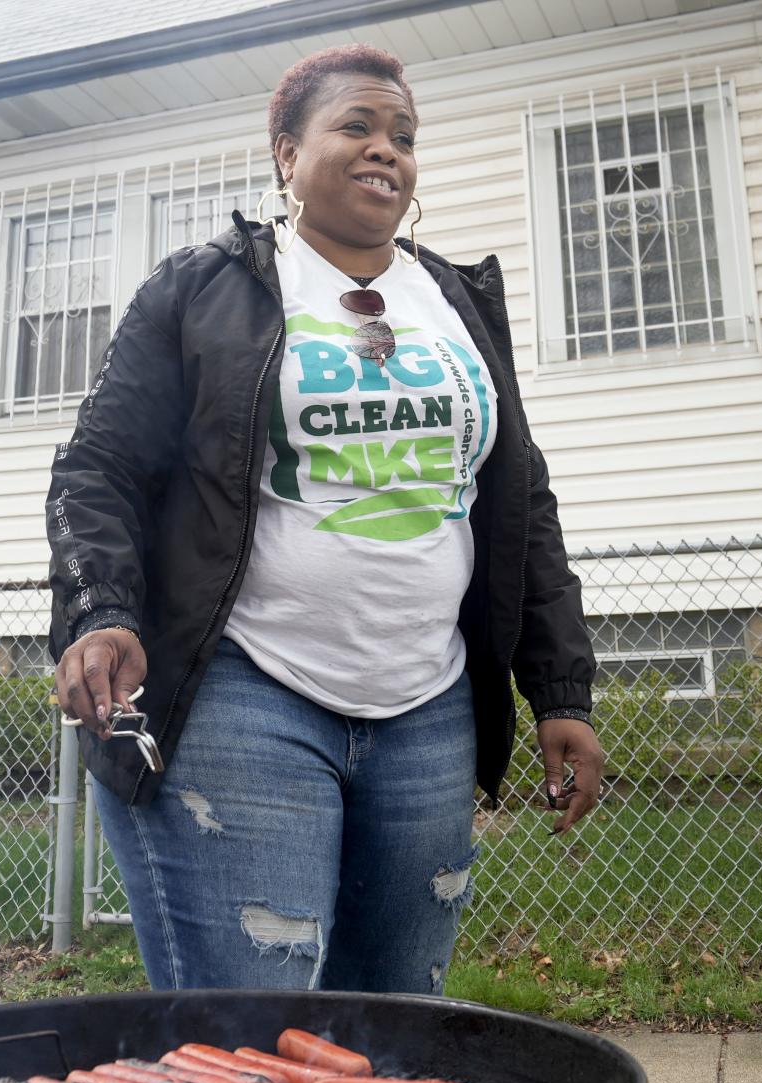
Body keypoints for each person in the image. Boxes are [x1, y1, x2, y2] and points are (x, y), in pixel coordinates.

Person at [47, 44, 604, 995]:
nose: (386, 148)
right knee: (251, 1040)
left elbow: (519, 500)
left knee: (393, 1022)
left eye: (404, 136)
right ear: (285, 151)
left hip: (429, 709)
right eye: (356, 126)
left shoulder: (457, 305)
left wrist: (560, 692)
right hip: (240, 695)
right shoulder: (202, 291)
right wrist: (100, 609)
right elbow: (98, 467)